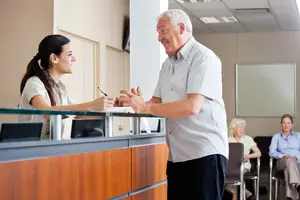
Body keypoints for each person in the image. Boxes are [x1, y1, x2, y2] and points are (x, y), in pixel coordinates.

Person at [118, 9, 228, 200]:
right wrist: (132, 103)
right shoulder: (167, 65)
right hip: (177, 156)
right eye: (158, 32)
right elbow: (157, 103)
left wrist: (145, 107)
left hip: (204, 154)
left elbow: (192, 106)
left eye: (163, 31)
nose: (159, 38)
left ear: (181, 28)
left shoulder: (203, 58)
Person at [18, 34, 115, 139]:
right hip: (31, 150)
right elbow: (48, 113)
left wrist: (109, 108)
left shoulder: (60, 87)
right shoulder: (34, 83)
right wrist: (92, 104)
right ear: (54, 58)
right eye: (69, 55)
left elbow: (78, 114)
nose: (74, 60)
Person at [226, 118, 261, 200]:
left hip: (243, 166)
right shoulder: (228, 140)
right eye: (239, 127)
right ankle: (246, 192)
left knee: (237, 175)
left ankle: (234, 196)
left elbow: (258, 153)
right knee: (223, 176)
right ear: (234, 129)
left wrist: (248, 156)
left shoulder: (248, 139)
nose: (242, 129)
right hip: (230, 166)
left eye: (243, 127)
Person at [269, 114, 300, 200]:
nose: (286, 125)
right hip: (282, 162)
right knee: (288, 161)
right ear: (281, 124)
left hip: (297, 162)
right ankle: (298, 184)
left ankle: (292, 197)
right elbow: (271, 152)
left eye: (288, 123)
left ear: (292, 124)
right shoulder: (276, 137)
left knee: (288, 171)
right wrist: (283, 155)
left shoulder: (298, 136)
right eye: (284, 123)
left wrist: (297, 157)